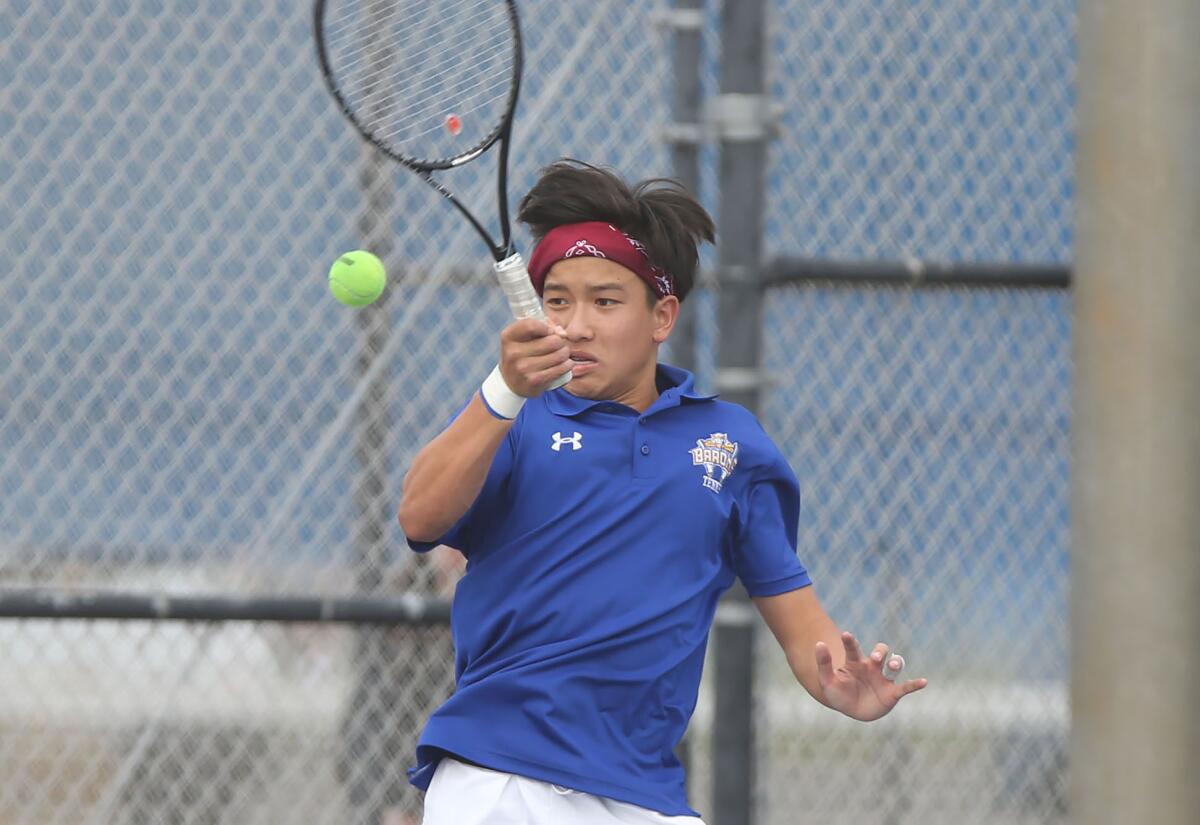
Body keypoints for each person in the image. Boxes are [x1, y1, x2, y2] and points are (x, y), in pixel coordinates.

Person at [397, 159, 927, 825]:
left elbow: (799, 619)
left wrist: (838, 681)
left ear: (662, 315)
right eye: (558, 300)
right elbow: (418, 514)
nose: (577, 324)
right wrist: (501, 393)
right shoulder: (515, 420)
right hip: (502, 778)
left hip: (641, 792)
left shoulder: (732, 445)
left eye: (606, 301)